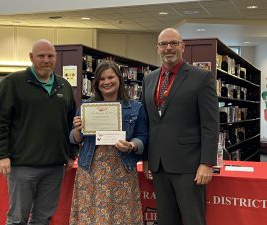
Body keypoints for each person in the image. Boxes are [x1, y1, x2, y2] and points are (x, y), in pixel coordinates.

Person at [0, 39, 78, 225]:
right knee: (17, 219)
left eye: (50, 56)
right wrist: (0, 155)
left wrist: (71, 153)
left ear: (56, 57)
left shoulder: (64, 86)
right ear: (31, 57)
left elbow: (71, 124)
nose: (46, 60)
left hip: (55, 166)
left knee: (43, 218)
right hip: (22, 166)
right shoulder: (13, 83)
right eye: (41, 56)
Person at [142, 28, 219, 225]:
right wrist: (146, 159)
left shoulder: (202, 77)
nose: (169, 48)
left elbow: (210, 124)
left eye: (174, 43)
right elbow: (148, 121)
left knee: (194, 220)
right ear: (157, 49)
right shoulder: (149, 79)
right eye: (163, 44)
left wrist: (207, 163)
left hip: (190, 167)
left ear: (182, 47)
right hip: (158, 166)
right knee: (167, 220)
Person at [69, 61, 148, 224]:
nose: (106, 82)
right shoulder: (86, 106)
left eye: (111, 77)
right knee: (90, 216)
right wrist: (77, 131)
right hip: (90, 169)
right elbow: (74, 138)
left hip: (121, 169)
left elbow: (143, 137)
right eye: (102, 79)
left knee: (122, 216)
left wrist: (131, 145)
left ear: (119, 79)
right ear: (96, 83)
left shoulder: (135, 108)